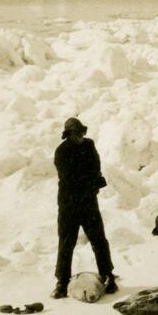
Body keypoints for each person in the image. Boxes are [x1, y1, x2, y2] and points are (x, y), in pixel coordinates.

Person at [52, 117, 117, 299]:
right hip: (69, 204)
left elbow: (95, 167)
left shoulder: (89, 146)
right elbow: (69, 178)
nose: (81, 136)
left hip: (88, 202)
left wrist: (94, 180)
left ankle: (108, 276)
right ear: (69, 134)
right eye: (78, 133)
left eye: (82, 132)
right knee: (67, 242)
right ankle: (62, 282)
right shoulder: (61, 152)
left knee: (99, 240)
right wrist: (91, 181)